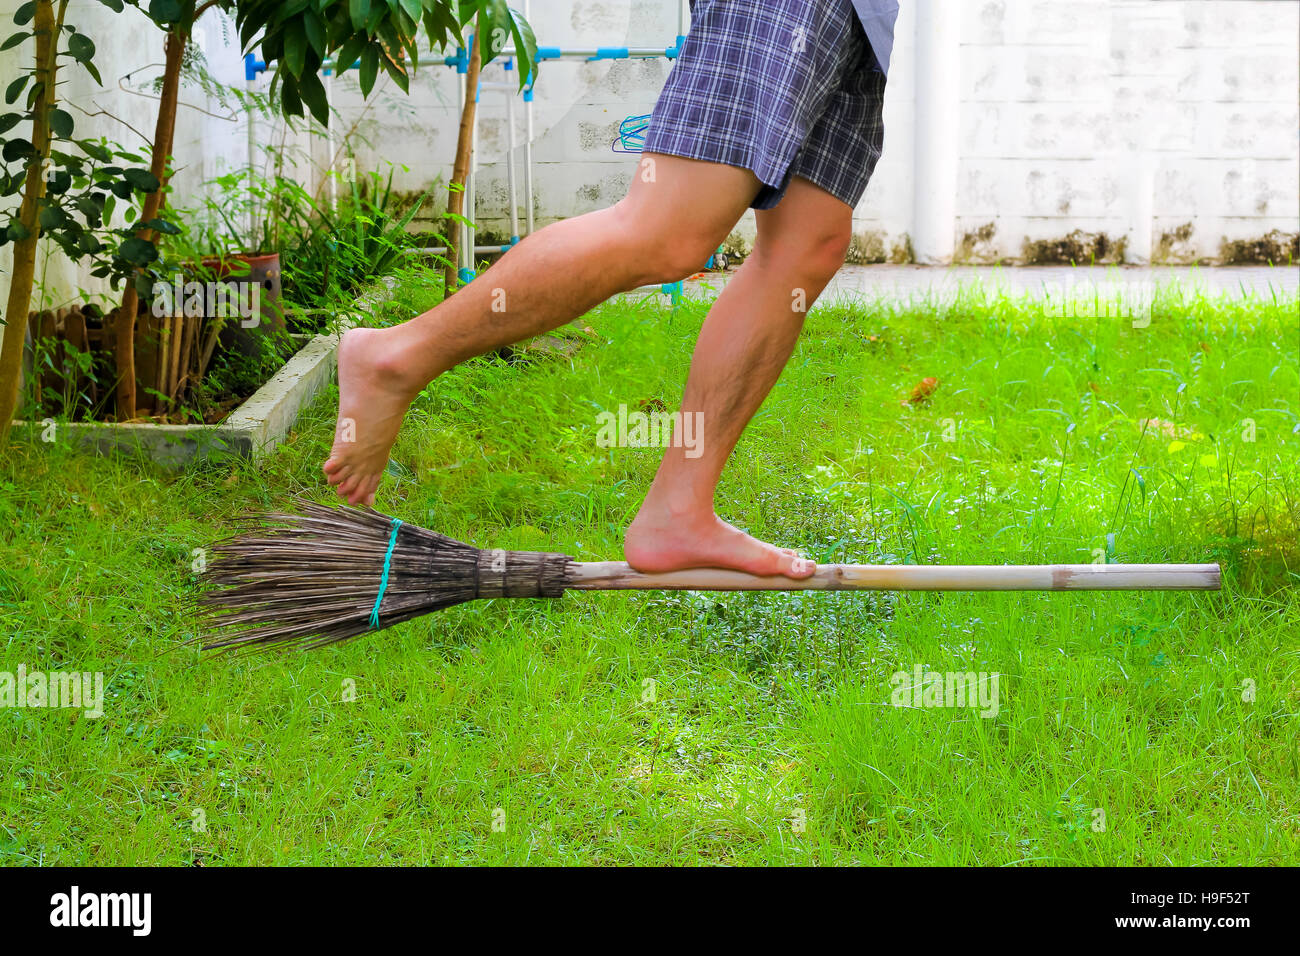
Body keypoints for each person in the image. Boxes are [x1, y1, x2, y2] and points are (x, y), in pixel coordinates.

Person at [323, 0, 898, 579]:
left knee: (809, 245)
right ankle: (396, 357)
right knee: (668, 231)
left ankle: (680, 511)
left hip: (865, 16)